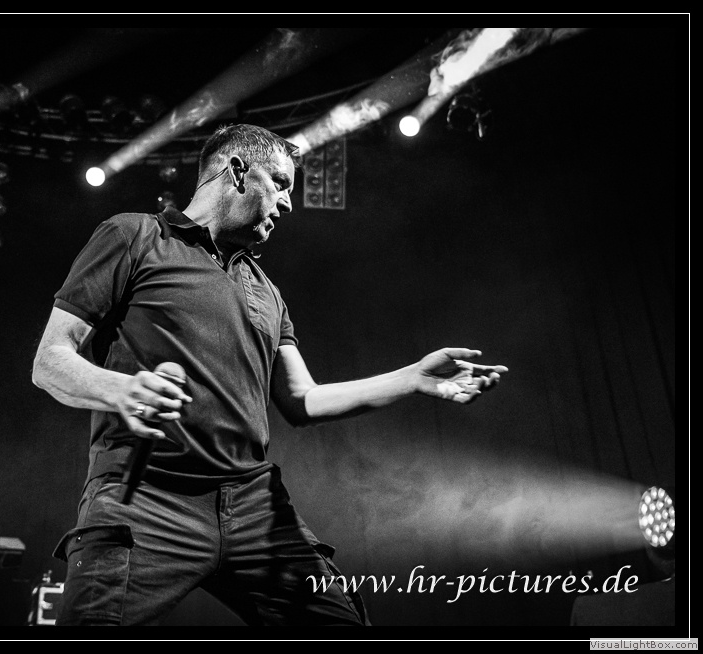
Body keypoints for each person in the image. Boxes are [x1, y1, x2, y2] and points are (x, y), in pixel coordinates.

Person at [32, 123, 508, 626]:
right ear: (237, 171)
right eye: (280, 183)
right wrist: (122, 389)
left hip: (254, 505)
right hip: (145, 497)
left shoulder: (266, 290)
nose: (288, 203)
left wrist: (412, 377)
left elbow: (302, 400)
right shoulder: (136, 236)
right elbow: (49, 360)